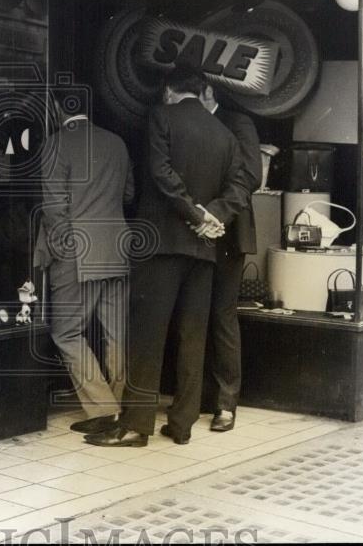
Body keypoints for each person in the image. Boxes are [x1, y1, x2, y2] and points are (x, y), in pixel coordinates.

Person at [86, 65, 246, 448]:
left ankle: (137, 425)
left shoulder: (161, 117)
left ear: (170, 92)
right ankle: (182, 424)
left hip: (160, 244)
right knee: (193, 336)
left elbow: (160, 172)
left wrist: (193, 213)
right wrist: (213, 216)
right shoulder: (224, 134)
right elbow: (240, 186)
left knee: (148, 334)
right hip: (203, 249)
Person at [37, 88, 135, 436]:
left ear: (57, 107)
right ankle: (116, 407)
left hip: (77, 252)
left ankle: (103, 407)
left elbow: (53, 209)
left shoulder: (55, 143)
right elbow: (128, 195)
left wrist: (63, 253)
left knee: (65, 331)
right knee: (115, 334)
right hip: (118, 249)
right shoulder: (117, 143)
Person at [199, 83, 262, 433]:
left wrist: (215, 213)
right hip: (195, 231)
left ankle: (225, 404)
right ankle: (200, 398)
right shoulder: (191, 122)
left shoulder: (238, 122)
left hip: (226, 233)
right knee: (197, 316)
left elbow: (252, 175)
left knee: (222, 316)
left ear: (207, 91)